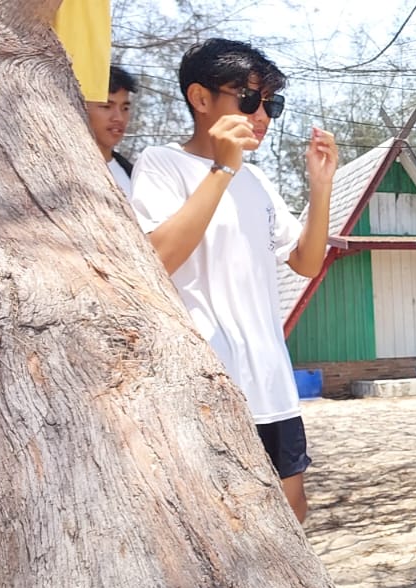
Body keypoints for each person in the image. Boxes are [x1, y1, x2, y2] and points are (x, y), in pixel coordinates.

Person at [130, 39, 337, 524]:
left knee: (292, 514)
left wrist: (321, 187)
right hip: (207, 383)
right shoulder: (161, 164)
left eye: (270, 103)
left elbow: (306, 262)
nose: (261, 114)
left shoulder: (258, 180)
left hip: (270, 379)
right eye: (247, 99)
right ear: (200, 99)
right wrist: (223, 168)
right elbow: (156, 259)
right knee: (224, 522)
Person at [86, 64, 137, 192]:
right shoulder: (56, 169)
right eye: (106, 107)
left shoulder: (137, 177)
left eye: (124, 108)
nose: (118, 118)